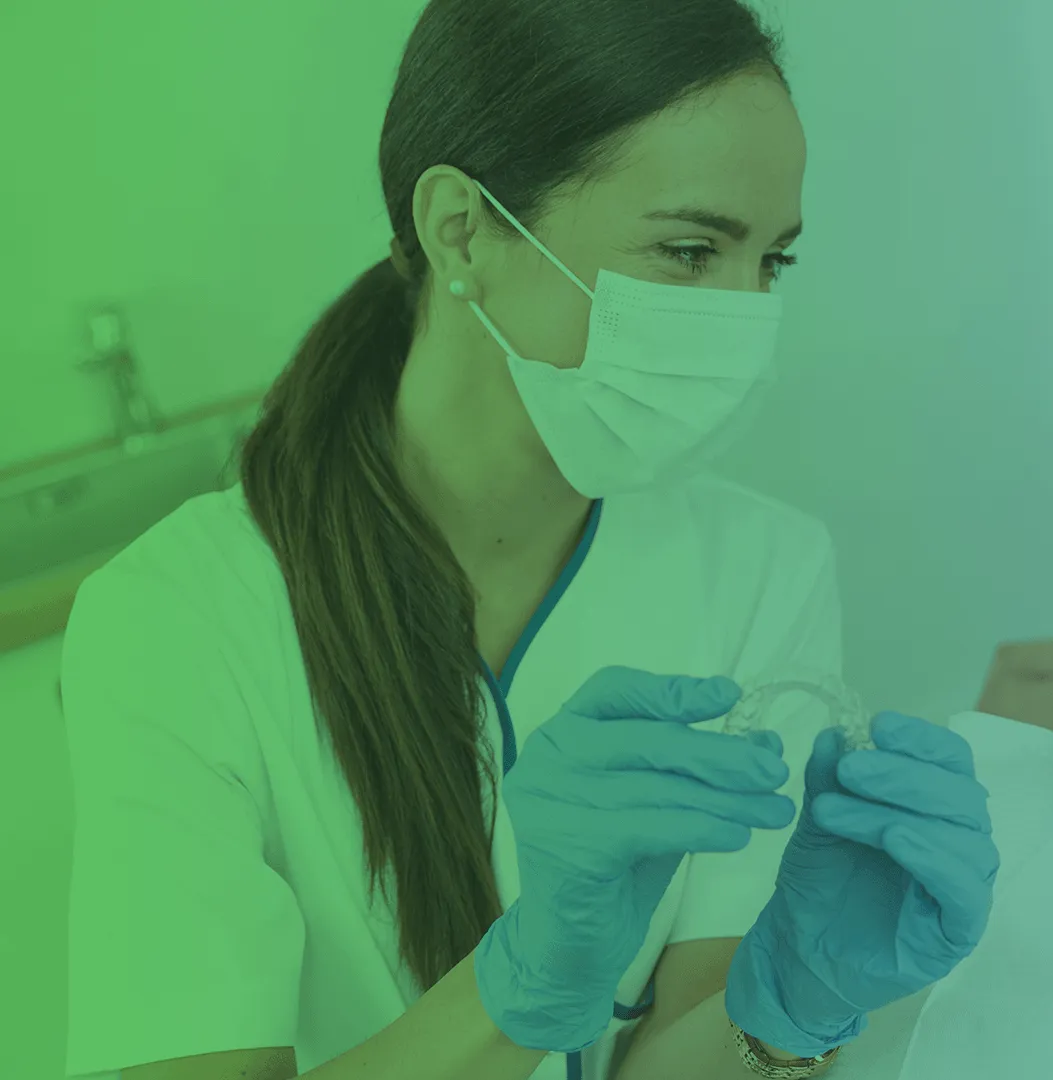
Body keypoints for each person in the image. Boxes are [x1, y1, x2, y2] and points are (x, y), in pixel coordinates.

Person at [58, 2, 995, 1079]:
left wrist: (786, 1008)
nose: (743, 322)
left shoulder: (761, 568)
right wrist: (524, 984)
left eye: (771, 263)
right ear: (463, 230)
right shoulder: (179, 619)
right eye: (689, 251)